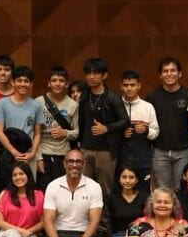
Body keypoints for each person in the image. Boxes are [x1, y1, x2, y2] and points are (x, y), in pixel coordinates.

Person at [78, 57, 129, 195]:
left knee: (105, 189)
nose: (91, 77)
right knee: (83, 188)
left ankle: (106, 217)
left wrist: (107, 128)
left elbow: (125, 120)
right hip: (86, 148)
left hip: (105, 150)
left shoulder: (112, 97)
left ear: (104, 75)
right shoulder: (84, 96)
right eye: (88, 73)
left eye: (96, 73)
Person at [0, 65, 42, 196]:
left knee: (28, 192)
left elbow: (37, 133)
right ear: (13, 82)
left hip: (28, 156)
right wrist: (13, 151)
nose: (23, 84)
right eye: (19, 80)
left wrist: (33, 153)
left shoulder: (36, 105)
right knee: (5, 192)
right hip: (8, 154)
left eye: (26, 81)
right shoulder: (2, 103)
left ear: (31, 84)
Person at [146, 56, 188, 191]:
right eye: (165, 71)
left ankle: (179, 213)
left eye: (173, 70)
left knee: (182, 189)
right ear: (160, 75)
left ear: (180, 73)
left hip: (183, 151)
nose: (169, 74)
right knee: (163, 191)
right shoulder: (152, 96)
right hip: (159, 151)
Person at [35, 66, 79, 190]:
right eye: (54, 80)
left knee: (62, 189)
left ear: (66, 84)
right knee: (43, 190)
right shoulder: (38, 102)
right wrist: (38, 158)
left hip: (64, 154)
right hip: (43, 153)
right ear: (48, 83)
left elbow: (77, 132)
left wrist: (64, 133)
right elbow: (34, 134)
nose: (57, 84)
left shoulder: (73, 105)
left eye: (61, 80)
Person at [117, 71, 159, 192]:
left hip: (143, 161)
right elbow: (108, 132)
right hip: (121, 161)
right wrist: (120, 133)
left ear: (139, 86)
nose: (129, 88)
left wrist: (146, 131)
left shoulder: (148, 107)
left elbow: (155, 133)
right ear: (121, 86)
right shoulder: (115, 106)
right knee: (122, 193)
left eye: (132, 85)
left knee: (144, 194)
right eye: (126, 85)